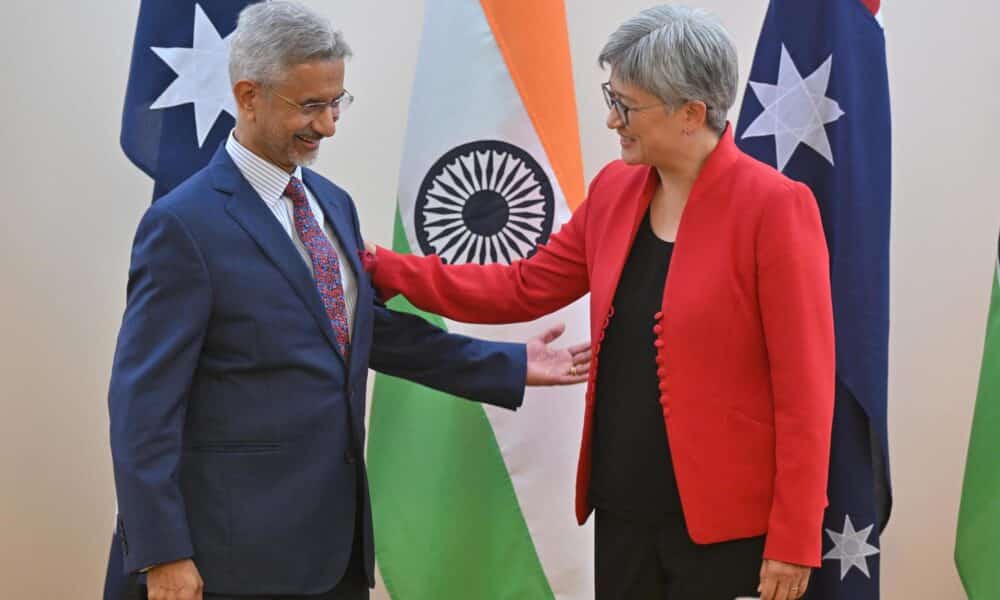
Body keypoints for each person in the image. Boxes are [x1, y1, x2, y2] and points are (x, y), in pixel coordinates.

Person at [107, 2, 590, 599]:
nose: (329, 125)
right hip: (228, 556)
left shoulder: (332, 203)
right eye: (310, 106)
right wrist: (162, 553)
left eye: (337, 102)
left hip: (335, 549)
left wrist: (508, 365)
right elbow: (141, 407)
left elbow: (363, 333)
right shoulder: (182, 227)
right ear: (249, 95)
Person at [363, 5, 835, 600]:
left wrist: (794, 538)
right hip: (622, 508)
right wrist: (388, 268)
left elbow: (807, 391)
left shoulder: (775, 208)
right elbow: (523, 286)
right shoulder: (615, 190)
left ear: (691, 113)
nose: (612, 119)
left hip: (725, 531)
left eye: (627, 105)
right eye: (611, 97)